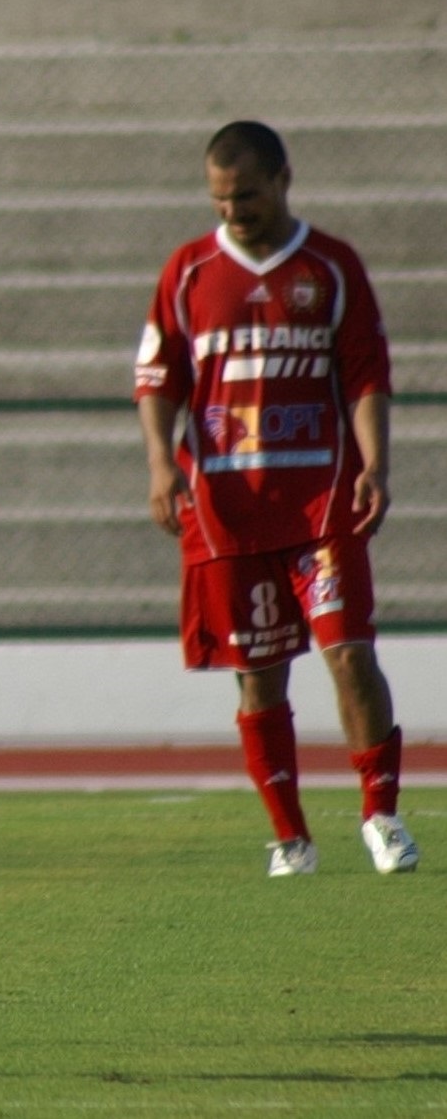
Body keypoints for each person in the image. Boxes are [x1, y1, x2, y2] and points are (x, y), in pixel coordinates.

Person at [135, 120, 420, 878]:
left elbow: (364, 373)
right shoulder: (189, 272)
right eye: (220, 199)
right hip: (226, 508)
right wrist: (162, 465)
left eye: (247, 195)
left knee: (347, 650)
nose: (233, 211)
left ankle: (380, 814)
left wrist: (374, 464)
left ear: (283, 178)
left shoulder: (329, 267)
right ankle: (290, 836)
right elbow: (158, 380)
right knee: (257, 672)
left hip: (318, 500)